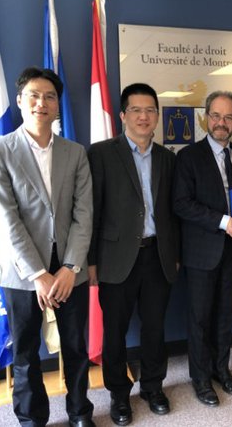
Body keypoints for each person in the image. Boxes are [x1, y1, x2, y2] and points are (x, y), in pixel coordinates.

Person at [0, 67, 94, 427]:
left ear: (57, 105)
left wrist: (70, 266)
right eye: (33, 95)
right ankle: (31, 418)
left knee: (75, 346)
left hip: (69, 267)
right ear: (20, 100)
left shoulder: (75, 153)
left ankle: (80, 411)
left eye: (49, 96)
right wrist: (38, 274)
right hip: (21, 269)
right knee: (26, 350)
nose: (41, 102)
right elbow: (7, 220)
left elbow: (84, 213)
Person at [87, 83, 180, 426]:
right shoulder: (100, 154)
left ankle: (153, 387)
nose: (144, 116)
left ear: (157, 116)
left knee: (155, 327)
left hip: (158, 256)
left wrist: (175, 253)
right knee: (115, 331)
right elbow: (91, 210)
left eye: (150, 110)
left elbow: (173, 212)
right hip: (115, 259)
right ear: (123, 115)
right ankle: (118, 394)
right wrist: (91, 261)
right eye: (136, 110)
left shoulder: (168, 158)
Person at [173, 91, 232, 406]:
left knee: (225, 314)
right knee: (200, 318)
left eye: (228, 117)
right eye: (216, 116)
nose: (222, 122)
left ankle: (221, 369)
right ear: (206, 117)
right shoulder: (188, 156)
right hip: (201, 251)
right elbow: (181, 203)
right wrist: (222, 221)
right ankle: (201, 378)